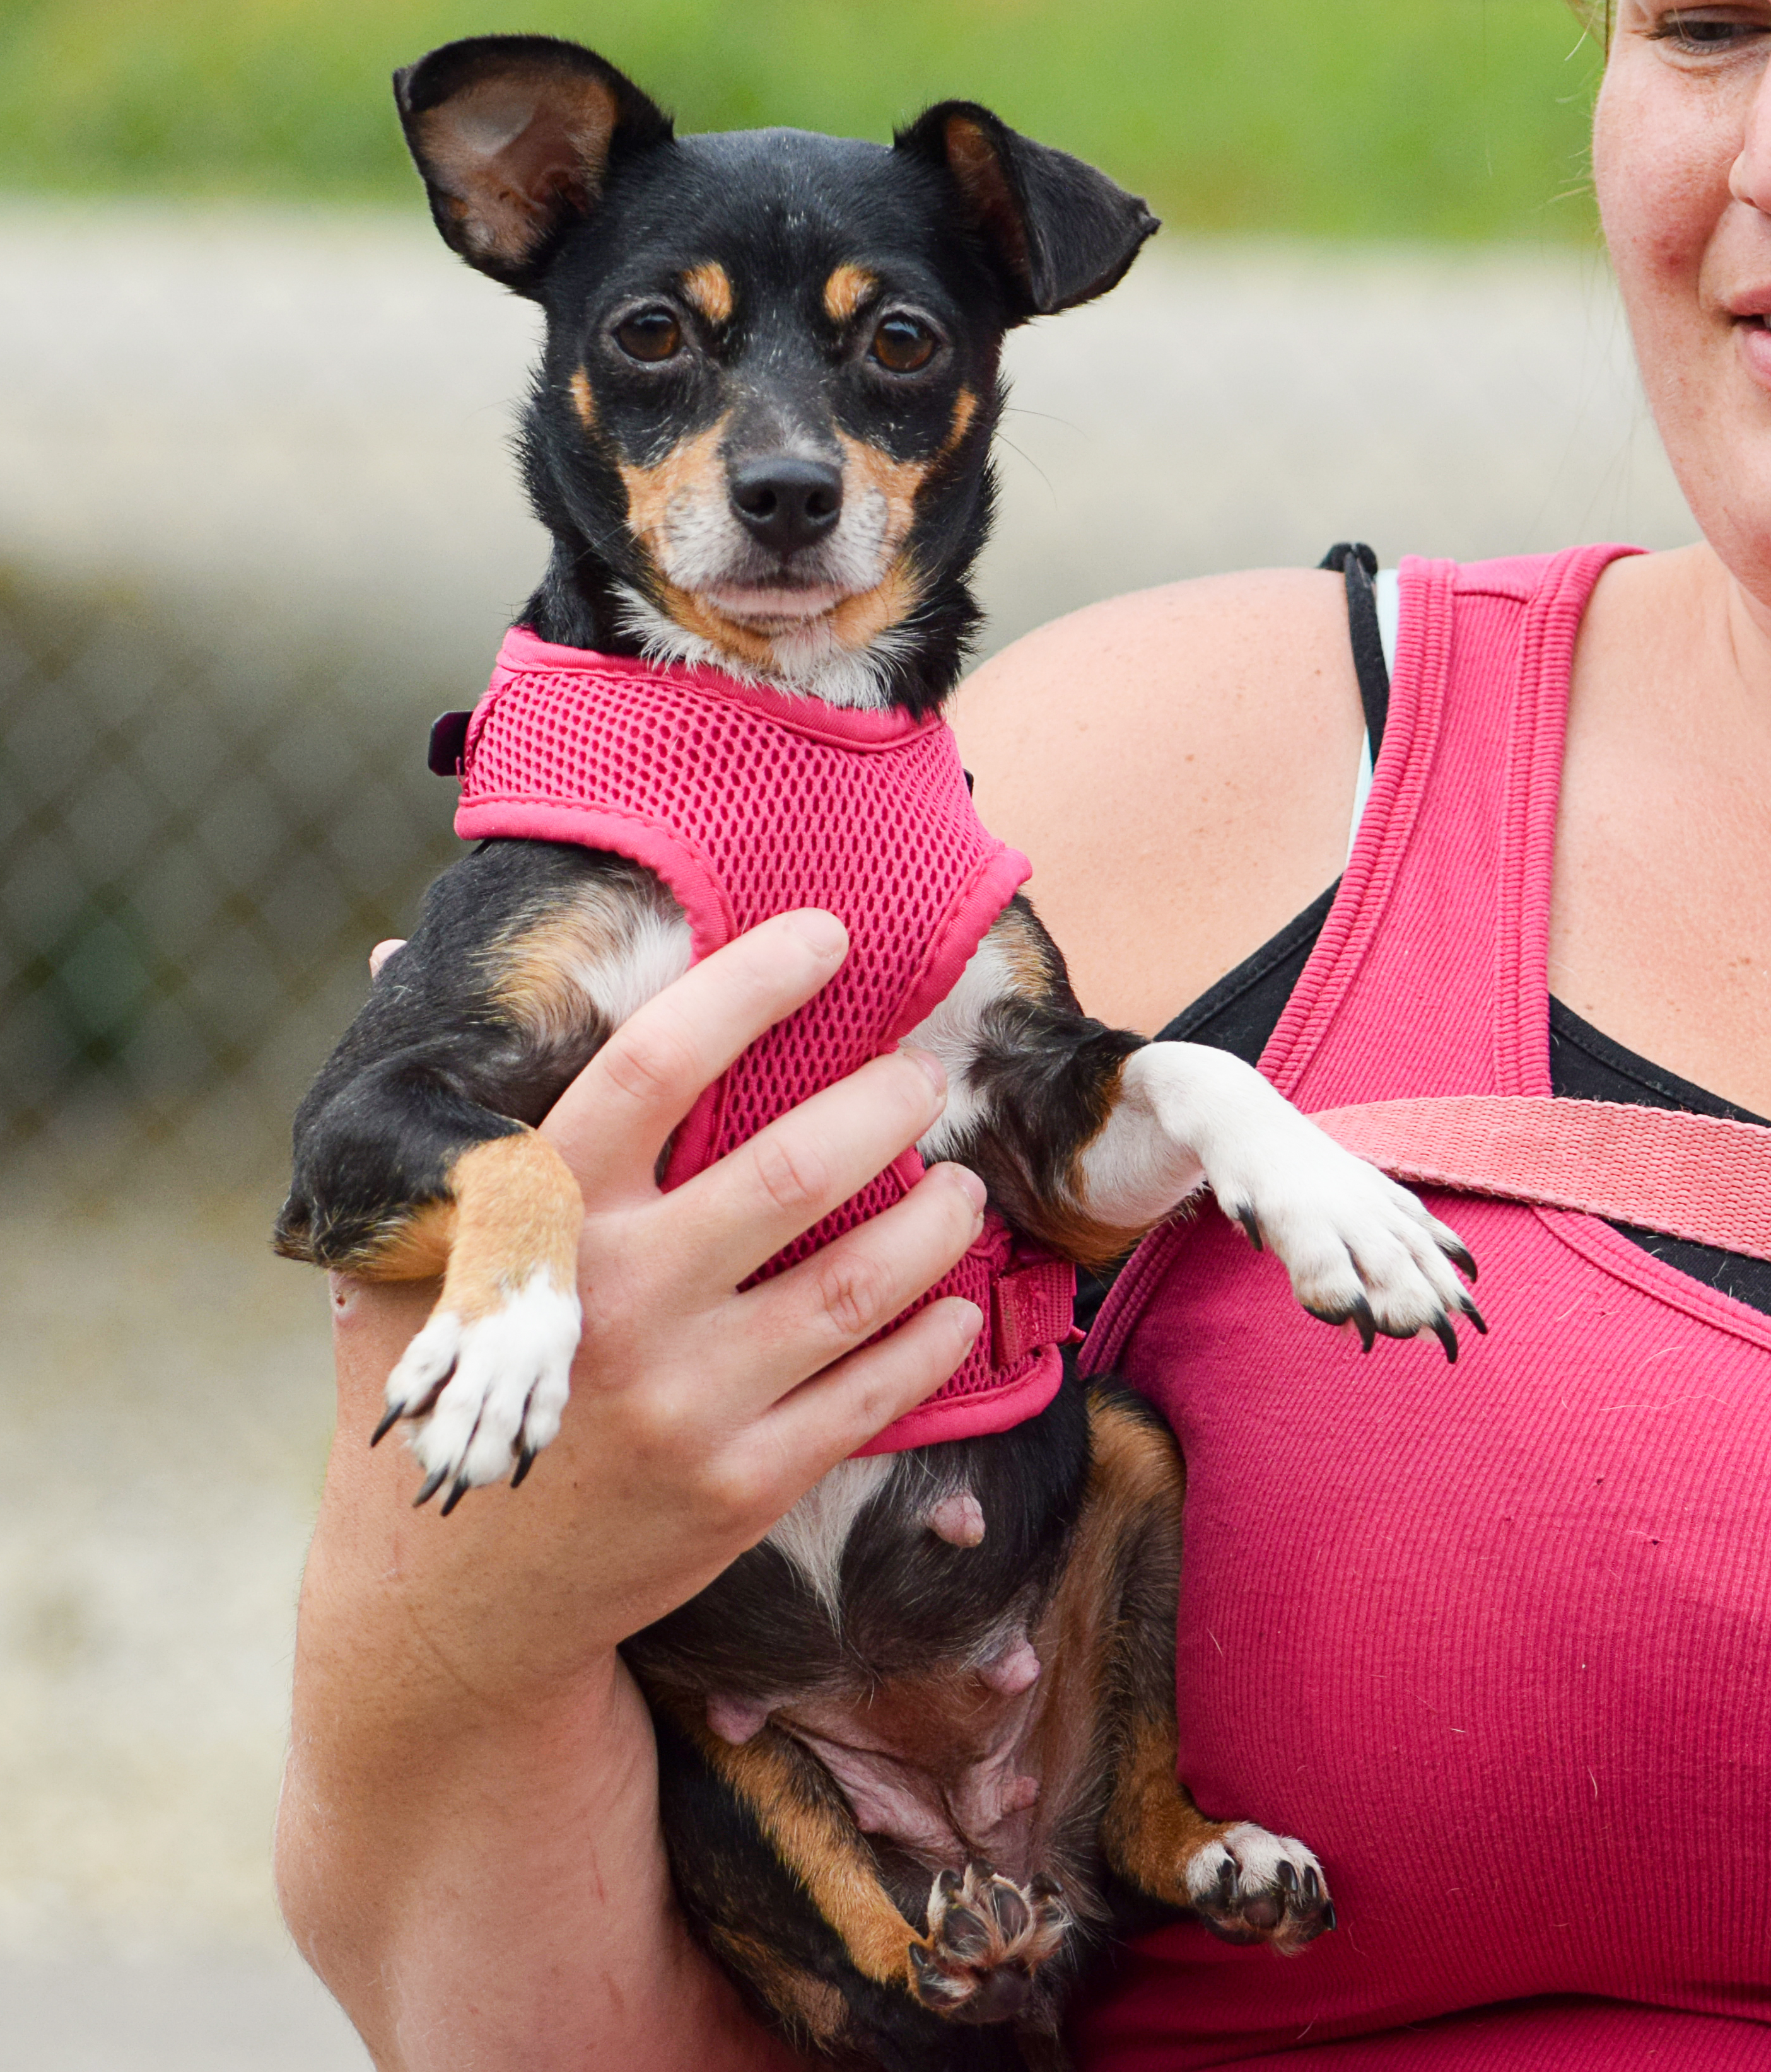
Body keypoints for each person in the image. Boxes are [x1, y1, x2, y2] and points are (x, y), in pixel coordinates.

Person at [274, 5, 1771, 2063]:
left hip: (1012, 1708)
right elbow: (366, 1154)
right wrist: (474, 1586)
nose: (781, 455)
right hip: (766, 1727)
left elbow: (1053, 1106)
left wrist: (1236, 1125)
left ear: (978, 375)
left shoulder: (943, 852)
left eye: (886, 355)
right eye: (1714, 23)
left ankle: (1118, 1847)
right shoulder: (1055, 785)